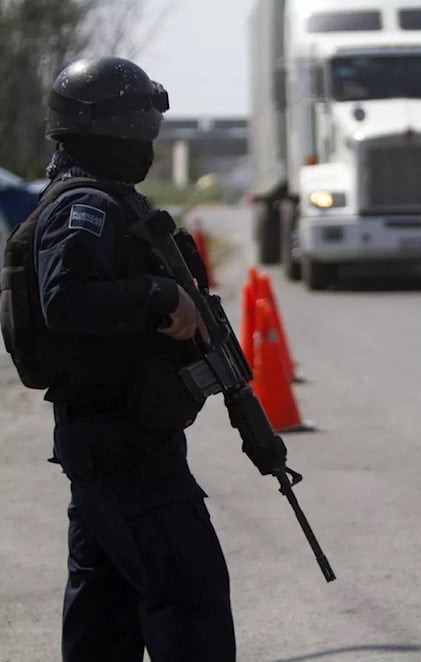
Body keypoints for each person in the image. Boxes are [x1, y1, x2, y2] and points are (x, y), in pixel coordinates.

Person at [34, 56, 236, 661]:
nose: (150, 141)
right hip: (121, 446)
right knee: (189, 594)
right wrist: (161, 293)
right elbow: (62, 299)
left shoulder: (112, 202)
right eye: (143, 126)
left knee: (106, 613)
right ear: (115, 129)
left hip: (115, 438)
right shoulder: (85, 206)